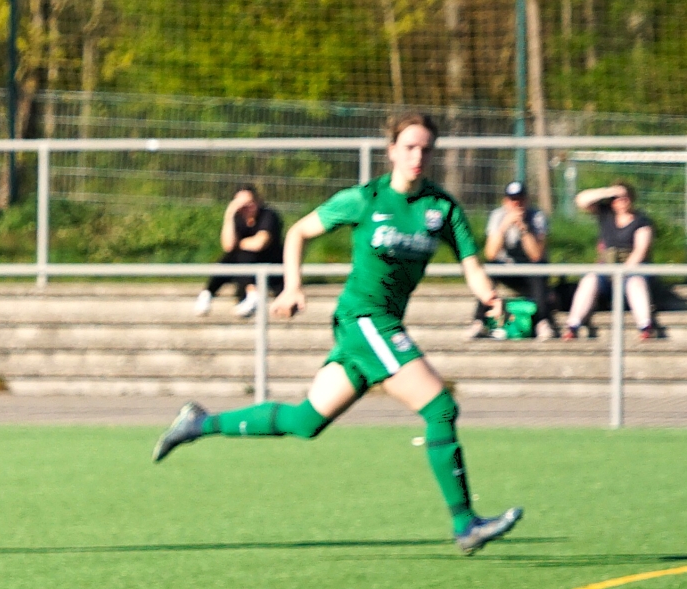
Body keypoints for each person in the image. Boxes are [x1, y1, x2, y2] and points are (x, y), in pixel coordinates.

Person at [153, 114, 524, 557]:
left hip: (378, 327)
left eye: (426, 148)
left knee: (305, 422)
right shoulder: (366, 199)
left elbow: (471, 265)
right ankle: (465, 524)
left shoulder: (441, 208)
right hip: (363, 319)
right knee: (440, 408)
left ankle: (198, 423)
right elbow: (299, 232)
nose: (418, 156)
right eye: (409, 147)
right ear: (391, 150)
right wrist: (293, 286)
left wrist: (489, 296)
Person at [563, 181, 661, 341]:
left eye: (624, 197)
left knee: (635, 282)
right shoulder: (606, 215)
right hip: (607, 273)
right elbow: (581, 200)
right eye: (616, 198)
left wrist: (622, 273)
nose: (620, 201)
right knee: (589, 279)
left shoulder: (642, 221)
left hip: (630, 273)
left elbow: (639, 252)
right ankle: (572, 326)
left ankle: (645, 327)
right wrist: (608, 191)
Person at [468, 180, 552, 340]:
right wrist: (504, 227)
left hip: (530, 271)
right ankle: (479, 321)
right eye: (513, 200)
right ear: (506, 201)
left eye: (520, 199)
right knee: (488, 271)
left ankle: (542, 321)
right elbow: (490, 253)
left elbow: (536, 255)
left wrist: (524, 229)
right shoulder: (498, 216)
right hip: (506, 268)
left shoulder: (537, 217)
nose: (517, 204)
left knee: (539, 269)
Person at [195, 185, 283, 318]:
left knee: (242, 254)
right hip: (245, 265)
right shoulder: (237, 218)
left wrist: (238, 244)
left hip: (270, 262)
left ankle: (252, 294)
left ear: (257, 202)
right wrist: (229, 215)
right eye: (241, 204)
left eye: (249, 204)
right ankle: (207, 293)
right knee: (231, 257)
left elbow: (259, 243)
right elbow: (228, 246)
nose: (246, 208)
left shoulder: (268, 215)